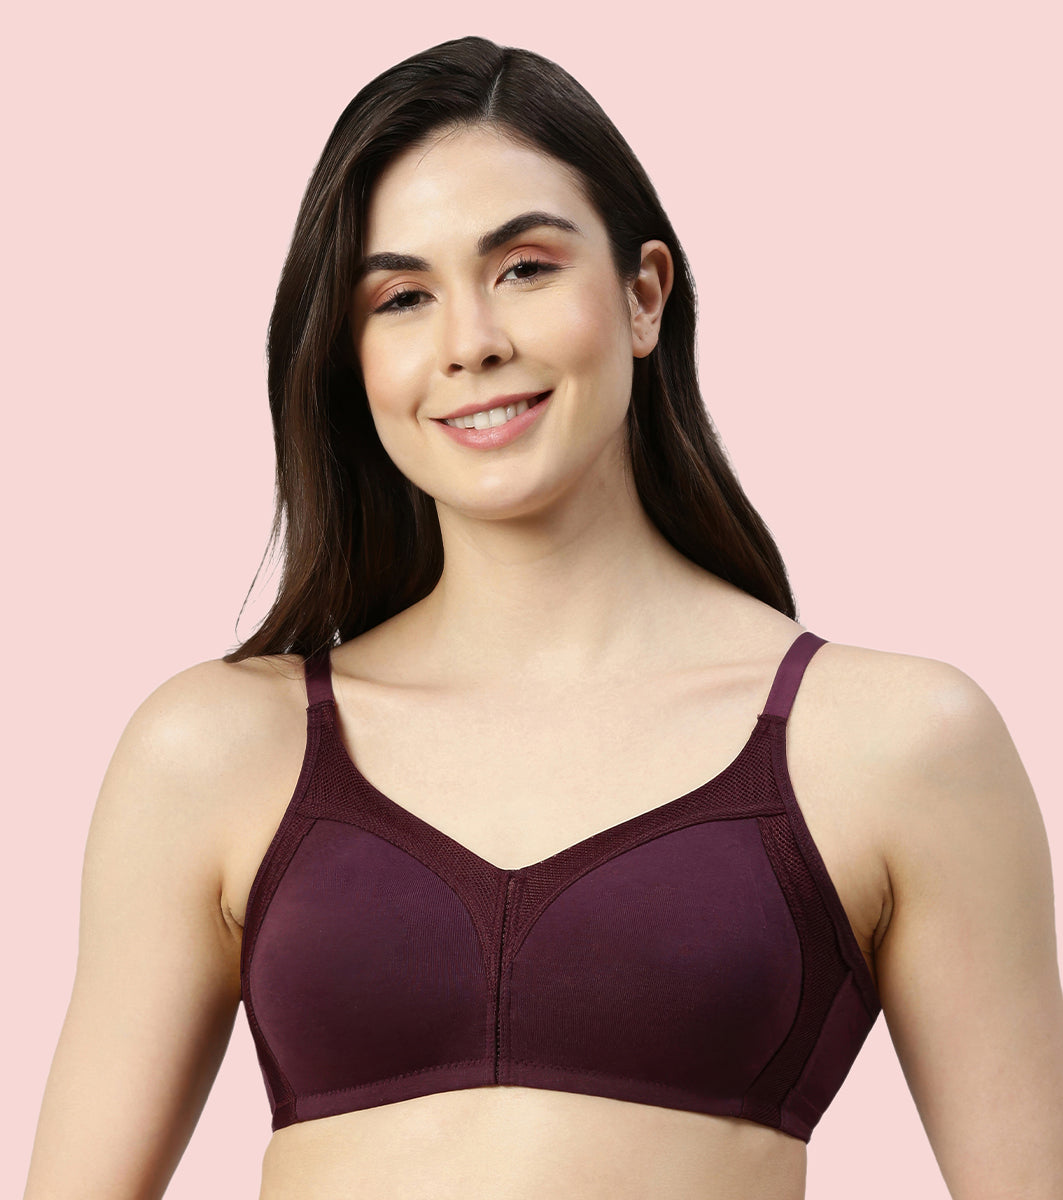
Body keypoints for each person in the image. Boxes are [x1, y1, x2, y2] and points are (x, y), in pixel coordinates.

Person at [23, 34, 1063, 1200]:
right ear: (352, 358)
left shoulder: (896, 743)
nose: (471, 342)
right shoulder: (216, 747)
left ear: (643, 295)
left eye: (523, 268)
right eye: (402, 297)